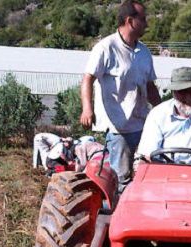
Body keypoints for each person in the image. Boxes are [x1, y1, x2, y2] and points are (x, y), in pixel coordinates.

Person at [79, 0, 162, 192]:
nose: (147, 24)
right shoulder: (106, 48)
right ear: (130, 21)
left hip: (142, 125)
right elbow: (87, 79)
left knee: (146, 175)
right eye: (143, 19)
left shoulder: (144, 52)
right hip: (119, 128)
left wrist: (163, 113)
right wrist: (87, 109)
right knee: (121, 179)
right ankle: (119, 218)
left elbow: (150, 87)